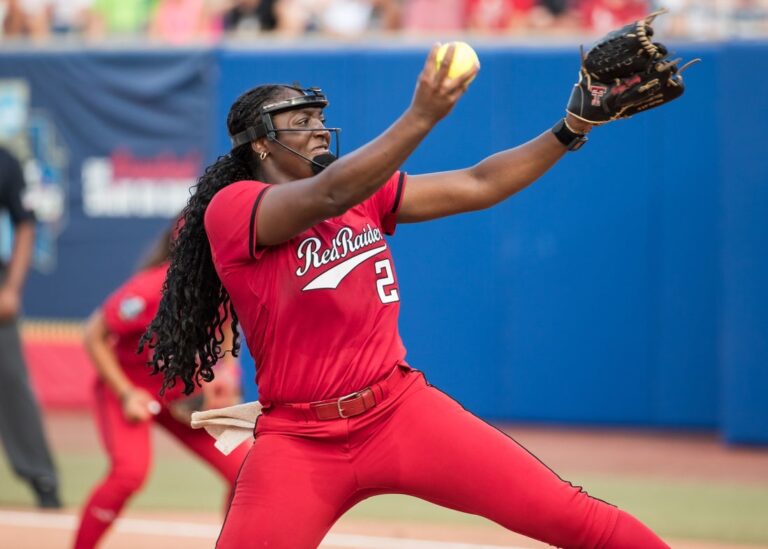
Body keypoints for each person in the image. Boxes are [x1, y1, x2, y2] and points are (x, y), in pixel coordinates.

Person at [142, 45, 671, 547]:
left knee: (572, 516)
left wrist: (571, 126)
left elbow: (480, 182)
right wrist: (422, 115)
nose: (318, 129)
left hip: (398, 412)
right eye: (299, 122)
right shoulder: (234, 207)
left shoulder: (361, 189)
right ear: (259, 143)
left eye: (318, 118)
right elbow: (329, 194)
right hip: (300, 440)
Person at [72, 222, 248, 549]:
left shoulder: (225, 285)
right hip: (129, 389)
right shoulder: (148, 290)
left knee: (246, 472)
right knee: (129, 473)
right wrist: (125, 393)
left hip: (185, 396)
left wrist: (227, 373)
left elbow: (226, 328)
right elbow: (94, 335)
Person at [0, 145, 61, 509]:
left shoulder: (4, 161)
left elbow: (25, 222)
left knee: (11, 379)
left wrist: (11, 289)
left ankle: (42, 477)